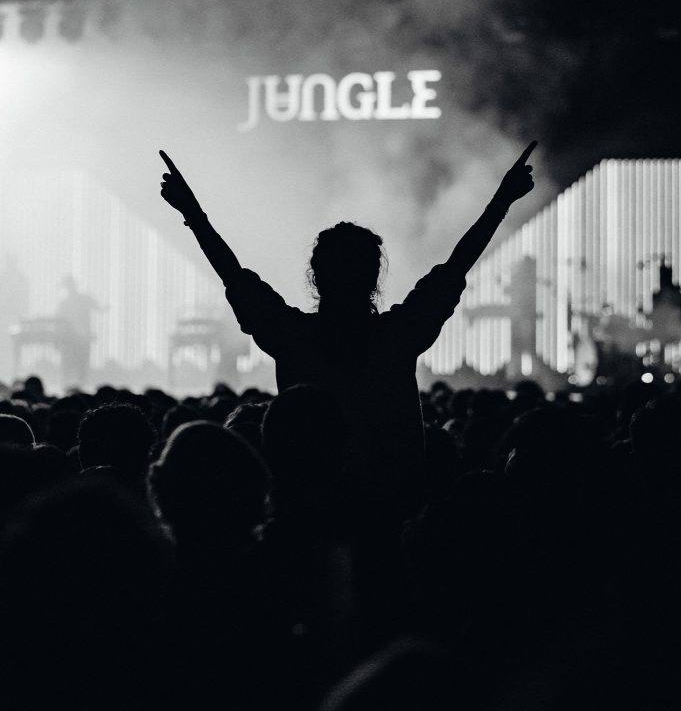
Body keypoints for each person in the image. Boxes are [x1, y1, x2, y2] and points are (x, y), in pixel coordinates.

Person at [158, 142, 536, 521]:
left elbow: (234, 276)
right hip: (391, 519)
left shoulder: (292, 337)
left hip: (308, 521)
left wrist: (193, 214)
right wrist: (500, 203)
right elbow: (455, 267)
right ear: (373, 278)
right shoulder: (397, 336)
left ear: (316, 277)